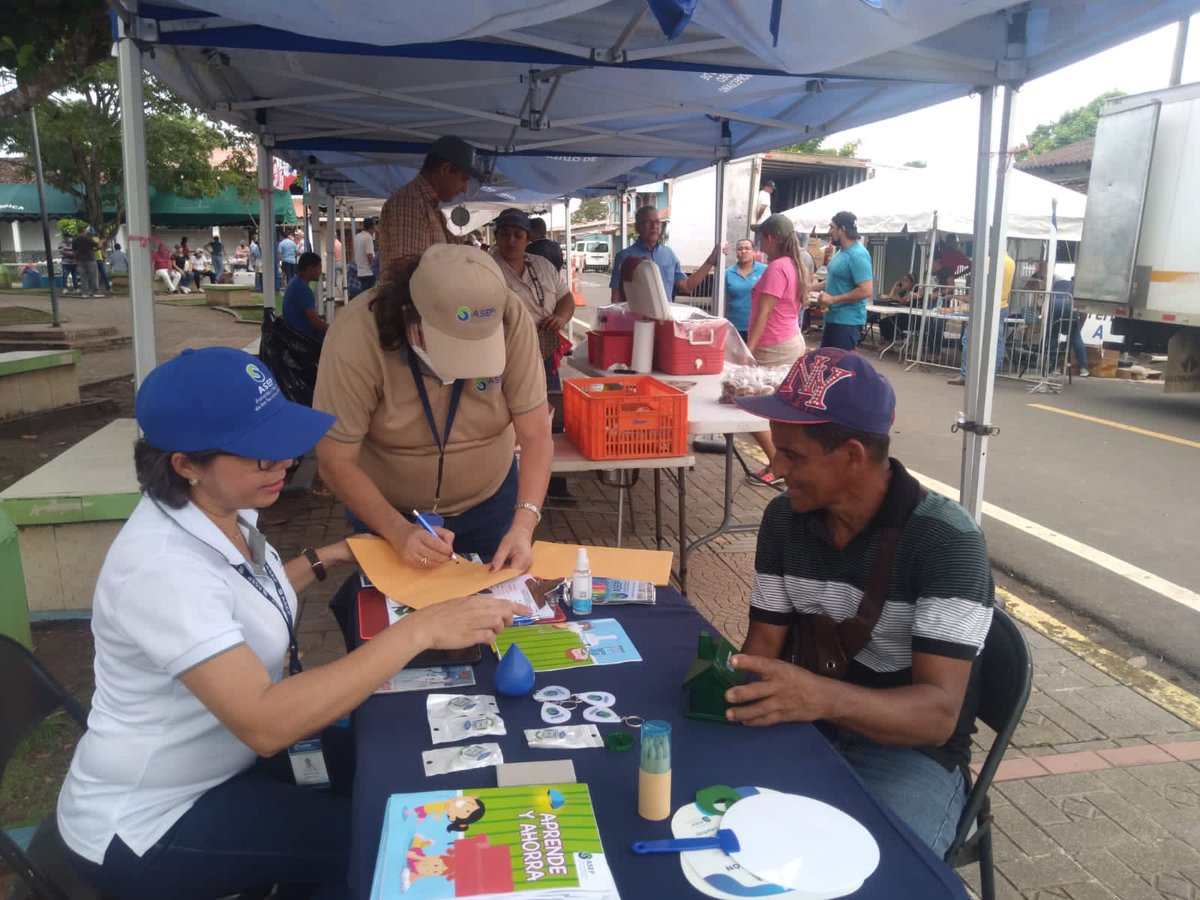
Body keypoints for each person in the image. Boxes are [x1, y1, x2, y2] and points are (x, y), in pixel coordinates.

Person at [56, 346, 523, 900]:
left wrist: (340, 552)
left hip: (227, 764)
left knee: (402, 766)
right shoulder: (162, 571)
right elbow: (265, 723)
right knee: (390, 838)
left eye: (284, 445)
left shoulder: (219, 511)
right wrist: (419, 629)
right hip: (153, 823)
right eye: (261, 456)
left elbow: (244, 597)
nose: (283, 463)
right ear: (186, 465)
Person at [726, 347, 994, 856]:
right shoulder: (784, 520)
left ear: (853, 456)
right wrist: (729, 699)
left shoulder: (947, 541)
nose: (775, 468)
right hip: (805, 726)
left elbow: (937, 717)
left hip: (910, 755)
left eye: (793, 456)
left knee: (871, 869)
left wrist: (821, 697)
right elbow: (761, 648)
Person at [314, 244, 551, 574]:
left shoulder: (511, 318)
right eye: (455, 349)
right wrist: (396, 531)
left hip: (490, 499)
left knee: (491, 599)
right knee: (397, 603)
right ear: (411, 317)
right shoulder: (355, 335)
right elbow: (335, 460)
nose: (465, 368)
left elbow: (537, 434)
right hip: (387, 508)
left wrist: (523, 525)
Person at [489, 208, 575, 502]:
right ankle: (508, 487)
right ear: (496, 236)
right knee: (508, 420)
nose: (511, 240)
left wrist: (561, 318)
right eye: (505, 234)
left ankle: (556, 484)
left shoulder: (542, 265)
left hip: (545, 352)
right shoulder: (486, 266)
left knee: (552, 416)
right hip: (504, 357)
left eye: (518, 234)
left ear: (528, 238)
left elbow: (566, 298)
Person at [743, 214, 809, 486]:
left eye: (761, 238)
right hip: (787, 340)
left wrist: (747, 351)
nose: (760, 243)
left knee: (751, 406)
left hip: (773, 347)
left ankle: (778, 466)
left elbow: (764, 314)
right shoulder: (794, 264)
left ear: (770, 238)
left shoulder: (777, 268)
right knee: (777, 411)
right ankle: (784, 464)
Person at [378, 135, 482, 274]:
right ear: (445, 169)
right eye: (463, 179)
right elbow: (407, 271)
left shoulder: (429, 206)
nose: (464, 189)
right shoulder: (410, 202)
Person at [608, 205, 718, 303]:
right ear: (637, 227)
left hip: (665, 318)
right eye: (648, 222)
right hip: (636, 319)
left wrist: (710, 262)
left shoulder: (669, 255)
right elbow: (616, 299)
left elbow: (687, 286)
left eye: (657, 222)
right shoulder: (623, 257)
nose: (654, 226)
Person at [948, 253, 1014, 386]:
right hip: (1002, 305)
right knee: (996, 343)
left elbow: (982, 284)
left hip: (985, 305)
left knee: (968, 339)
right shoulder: (1011, 262)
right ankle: (990, 376)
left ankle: (966, 375)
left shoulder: (989, 260)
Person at [815, 211, 873, 350]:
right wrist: (810, 287)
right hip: (832, 318)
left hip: (847, 323)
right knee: (826, 360)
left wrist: (832, 299)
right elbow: (835, 279)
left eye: (832, 227)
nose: (830, 231)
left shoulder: (858, 255)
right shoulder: (841, 251)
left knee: (839, 362)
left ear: (842, 230)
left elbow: (866, 290)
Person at [724, 238, 767, 342]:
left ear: (753, 251)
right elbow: (723, 300)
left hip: (757, 327)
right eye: (740, 249)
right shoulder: (728, 273)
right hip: (734, 327)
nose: (743, 251)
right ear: (736, 252)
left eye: (747, 248)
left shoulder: (765, 270)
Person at [1047, 276, 1089, 377]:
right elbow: (1083, 313)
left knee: (1053, 335)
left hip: (1053, 305)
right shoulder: (1080, 289)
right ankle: (1083, 369)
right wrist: (1078, 328)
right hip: (1068, 307)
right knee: (1076, 338)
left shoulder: (1058, 283)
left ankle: (1055, 367)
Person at [282, 252, 328, 339]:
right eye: (319, 268)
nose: (320, 272)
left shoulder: (294, 282)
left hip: (290, 333)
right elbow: (316, 324)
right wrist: (333, 328)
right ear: (310, 269)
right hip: (302, 337)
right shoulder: (303, 290)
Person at [876, 272, 915, 343]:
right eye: (903, 280)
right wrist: (894, 289)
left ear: (912, 283)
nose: (903, 282)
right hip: (901, 314)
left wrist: (891, 297)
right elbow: (891, 298)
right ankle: (888, 340)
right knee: (883, 321)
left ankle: (893, 340)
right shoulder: (903, 292)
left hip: (910, 317)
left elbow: (903, 301)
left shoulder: (914, 292)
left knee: (889, 322)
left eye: (906, 281)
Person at [353, 218, 377, 296]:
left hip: (360, 272)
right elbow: (369, 256)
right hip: (368, 273)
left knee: (363, 296)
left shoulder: (357, 237)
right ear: (373, 227)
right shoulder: (368, 237)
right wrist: (375, 269)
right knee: (370, 297)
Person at [73, 228, 100, 298]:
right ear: (84, 232)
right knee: (93, 276)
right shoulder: (86, 238)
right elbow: (97, 245)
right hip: (90, 259)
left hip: (80, 260)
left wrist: (76, 260)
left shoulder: (75, 239)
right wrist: (101, 242)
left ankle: (84, 293)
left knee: (83, 277)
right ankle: (95, 292)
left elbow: (75, 252)